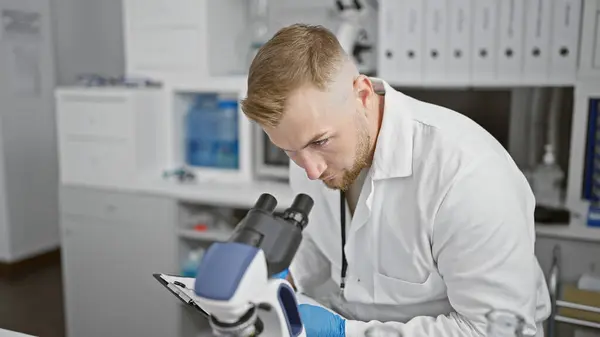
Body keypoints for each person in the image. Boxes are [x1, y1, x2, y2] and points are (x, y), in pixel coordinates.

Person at [240, 23, 551, 337]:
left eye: (320, 142)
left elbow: (495, 331)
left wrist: (345, 333)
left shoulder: (467, 175)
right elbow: (328, 243)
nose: (311, 171)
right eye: (288, 151)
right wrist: (282, 274)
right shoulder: (307, 149)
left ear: (362, 94)